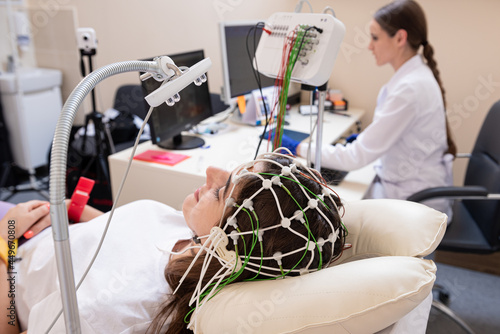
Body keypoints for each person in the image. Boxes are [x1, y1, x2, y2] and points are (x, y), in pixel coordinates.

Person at [0, 151, 345, 334]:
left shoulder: (103, 312)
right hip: (42, 226)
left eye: (221, 190)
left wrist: (6, 241)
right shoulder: (195, 245)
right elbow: (125, 239)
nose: (211, 171)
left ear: (226, 239)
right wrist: (72, 213)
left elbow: (9, 324)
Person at [282, 0, 455, 216]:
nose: (369, 46)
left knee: (334, 212)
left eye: (375, 37)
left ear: (400, 38)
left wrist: (296, 147)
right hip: (408, 185)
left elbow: (356, 157)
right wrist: (364, 140)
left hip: (415, 202)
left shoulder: (410, 88)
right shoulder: (415, 76)